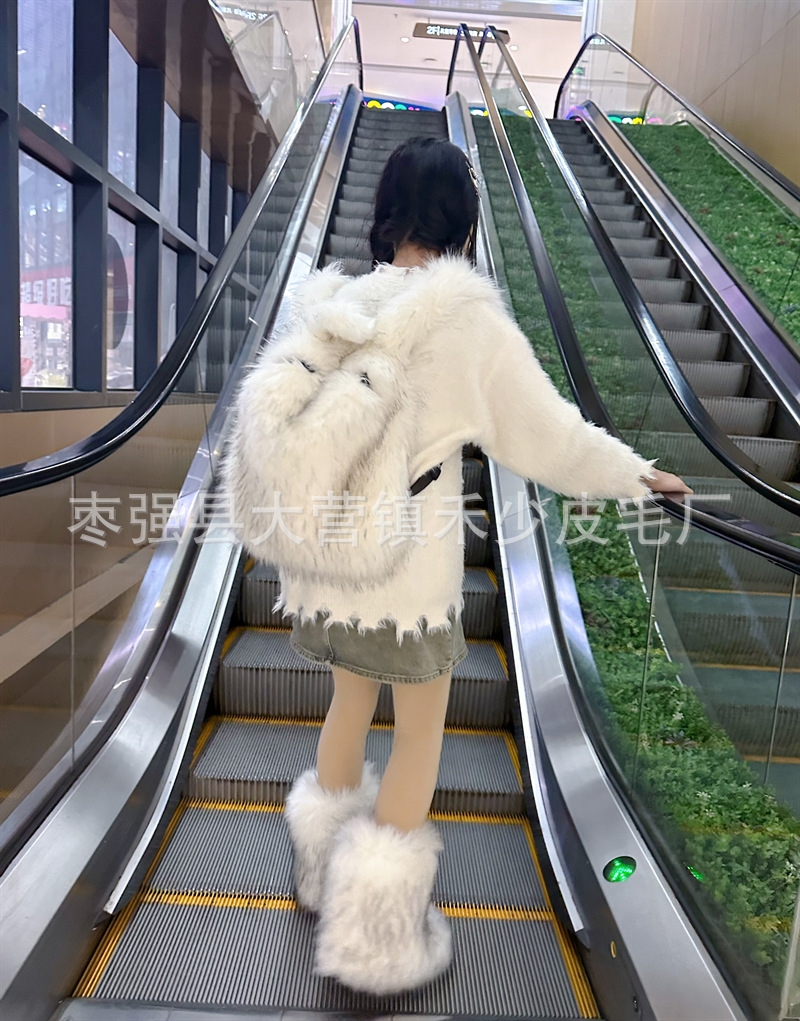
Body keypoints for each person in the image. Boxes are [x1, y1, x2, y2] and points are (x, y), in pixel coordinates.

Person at [250, 137, 691, 995]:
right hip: (407, 577)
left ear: (387, 211)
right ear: (462, 219)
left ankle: (317, 874)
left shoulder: (337, 304)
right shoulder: (468, 321)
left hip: (330, 567)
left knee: (348, 704)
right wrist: (637, 474)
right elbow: (549, 435)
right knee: (419, 731)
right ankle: (375, 935)